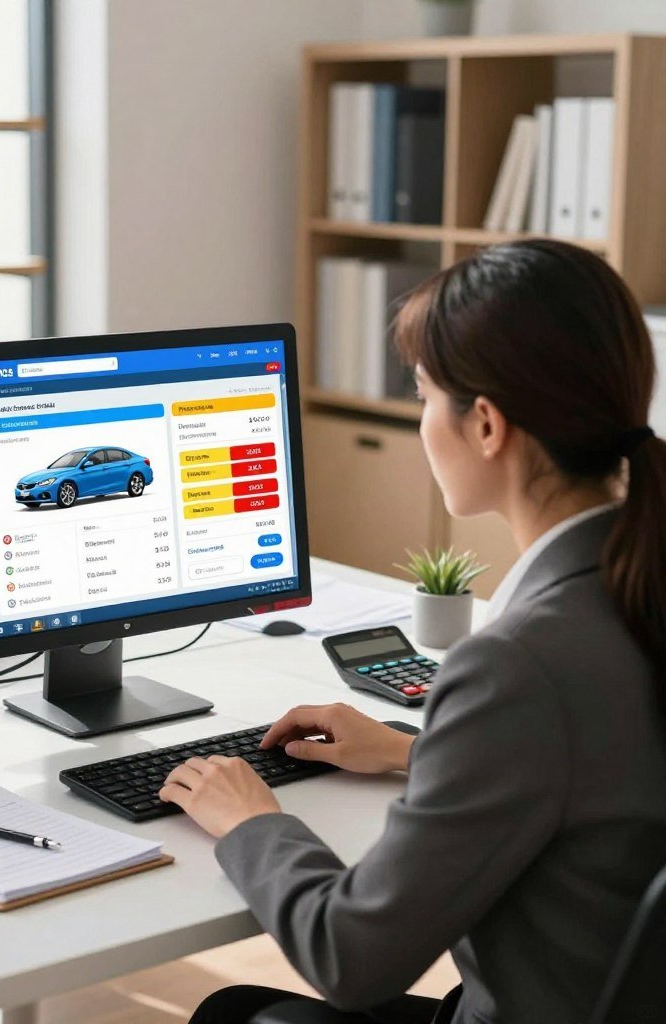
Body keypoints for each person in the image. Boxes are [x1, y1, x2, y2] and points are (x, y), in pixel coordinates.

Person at [160, 240, 666, 1024]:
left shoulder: (520, 665)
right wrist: (415, 751)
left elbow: (352, 959)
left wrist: (252, 823)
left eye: (427, 395)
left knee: (233, 1016)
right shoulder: (636, 589)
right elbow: (608, 763)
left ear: (488, 425)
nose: (424, 418)